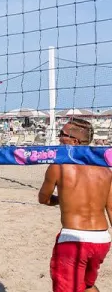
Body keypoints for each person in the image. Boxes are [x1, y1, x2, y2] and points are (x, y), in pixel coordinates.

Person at [39, 118, 112, 292]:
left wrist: (60, 200)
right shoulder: (105, 170)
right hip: (102, 240)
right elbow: (110, 209)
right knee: (87, 285)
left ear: (75, 141)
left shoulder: (59, 166)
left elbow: (43, 199)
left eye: (62, 134)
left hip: (73, 240)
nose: (58, 137)